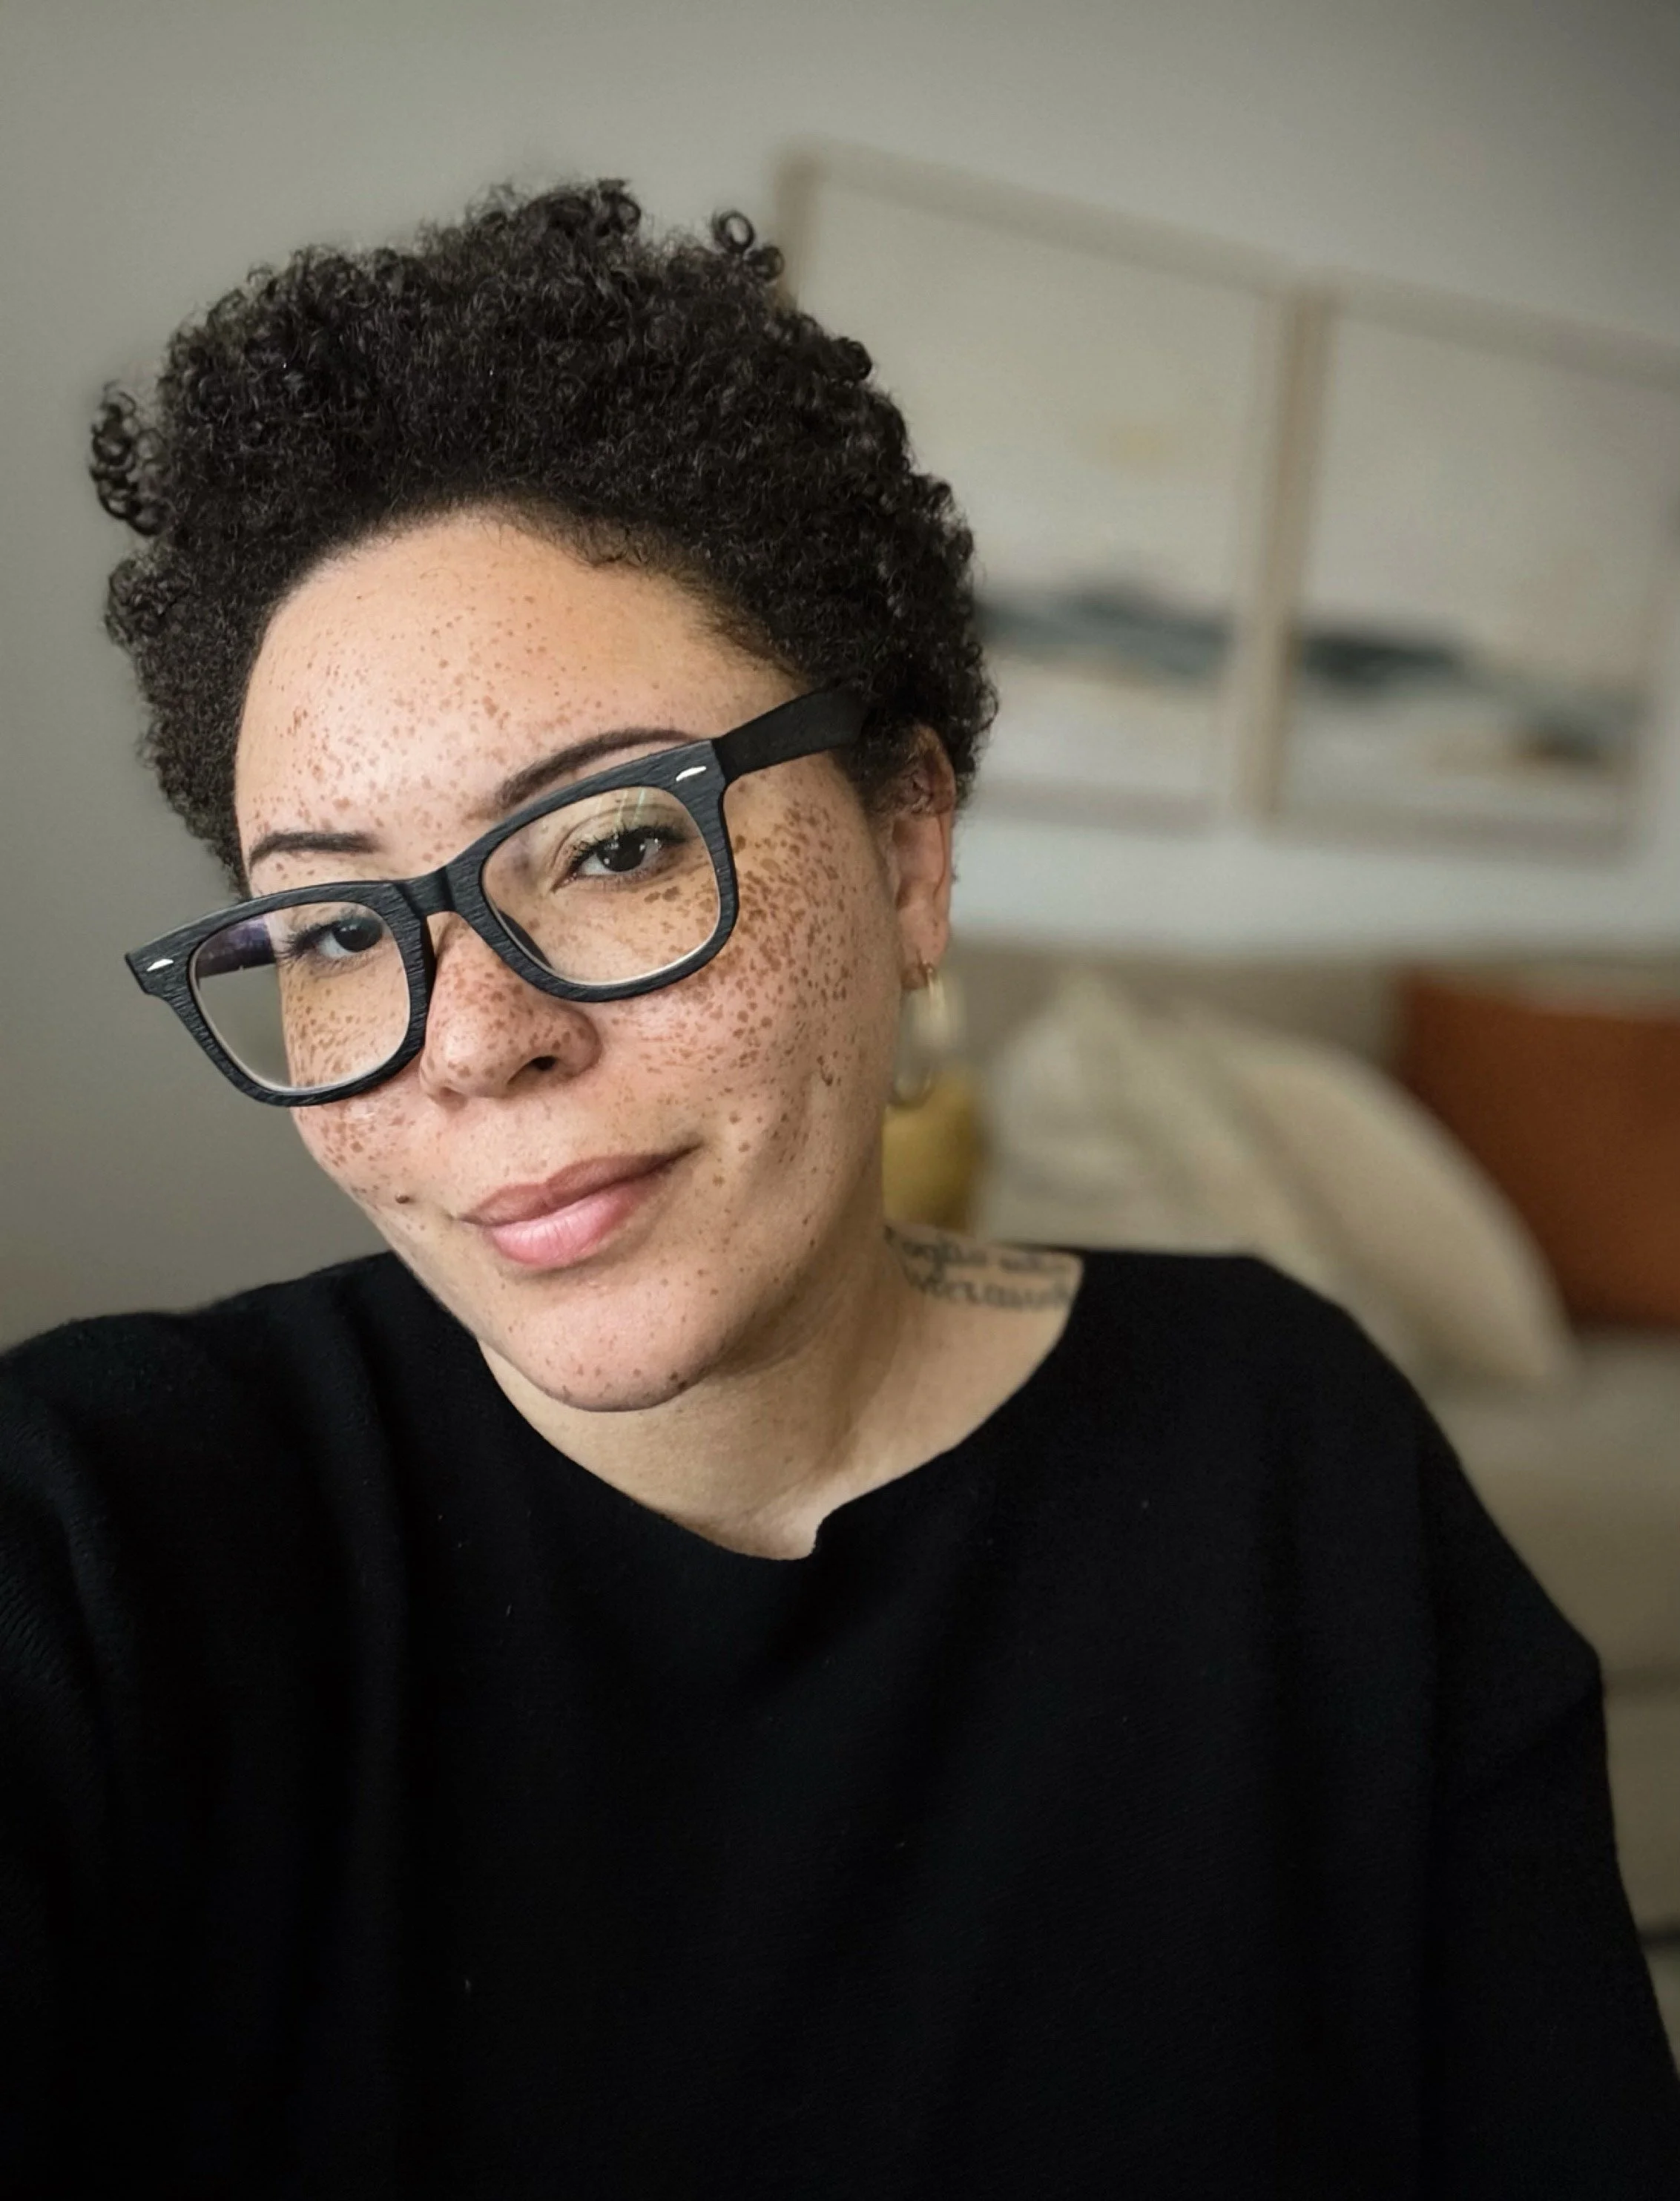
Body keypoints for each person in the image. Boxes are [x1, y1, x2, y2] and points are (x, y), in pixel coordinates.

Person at [1, 180, 1676, 2199]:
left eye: (613, 842)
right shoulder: (91, 1543)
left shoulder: (1290, 1454)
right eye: (337, 928)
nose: (467, 1038)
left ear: (907, 852)